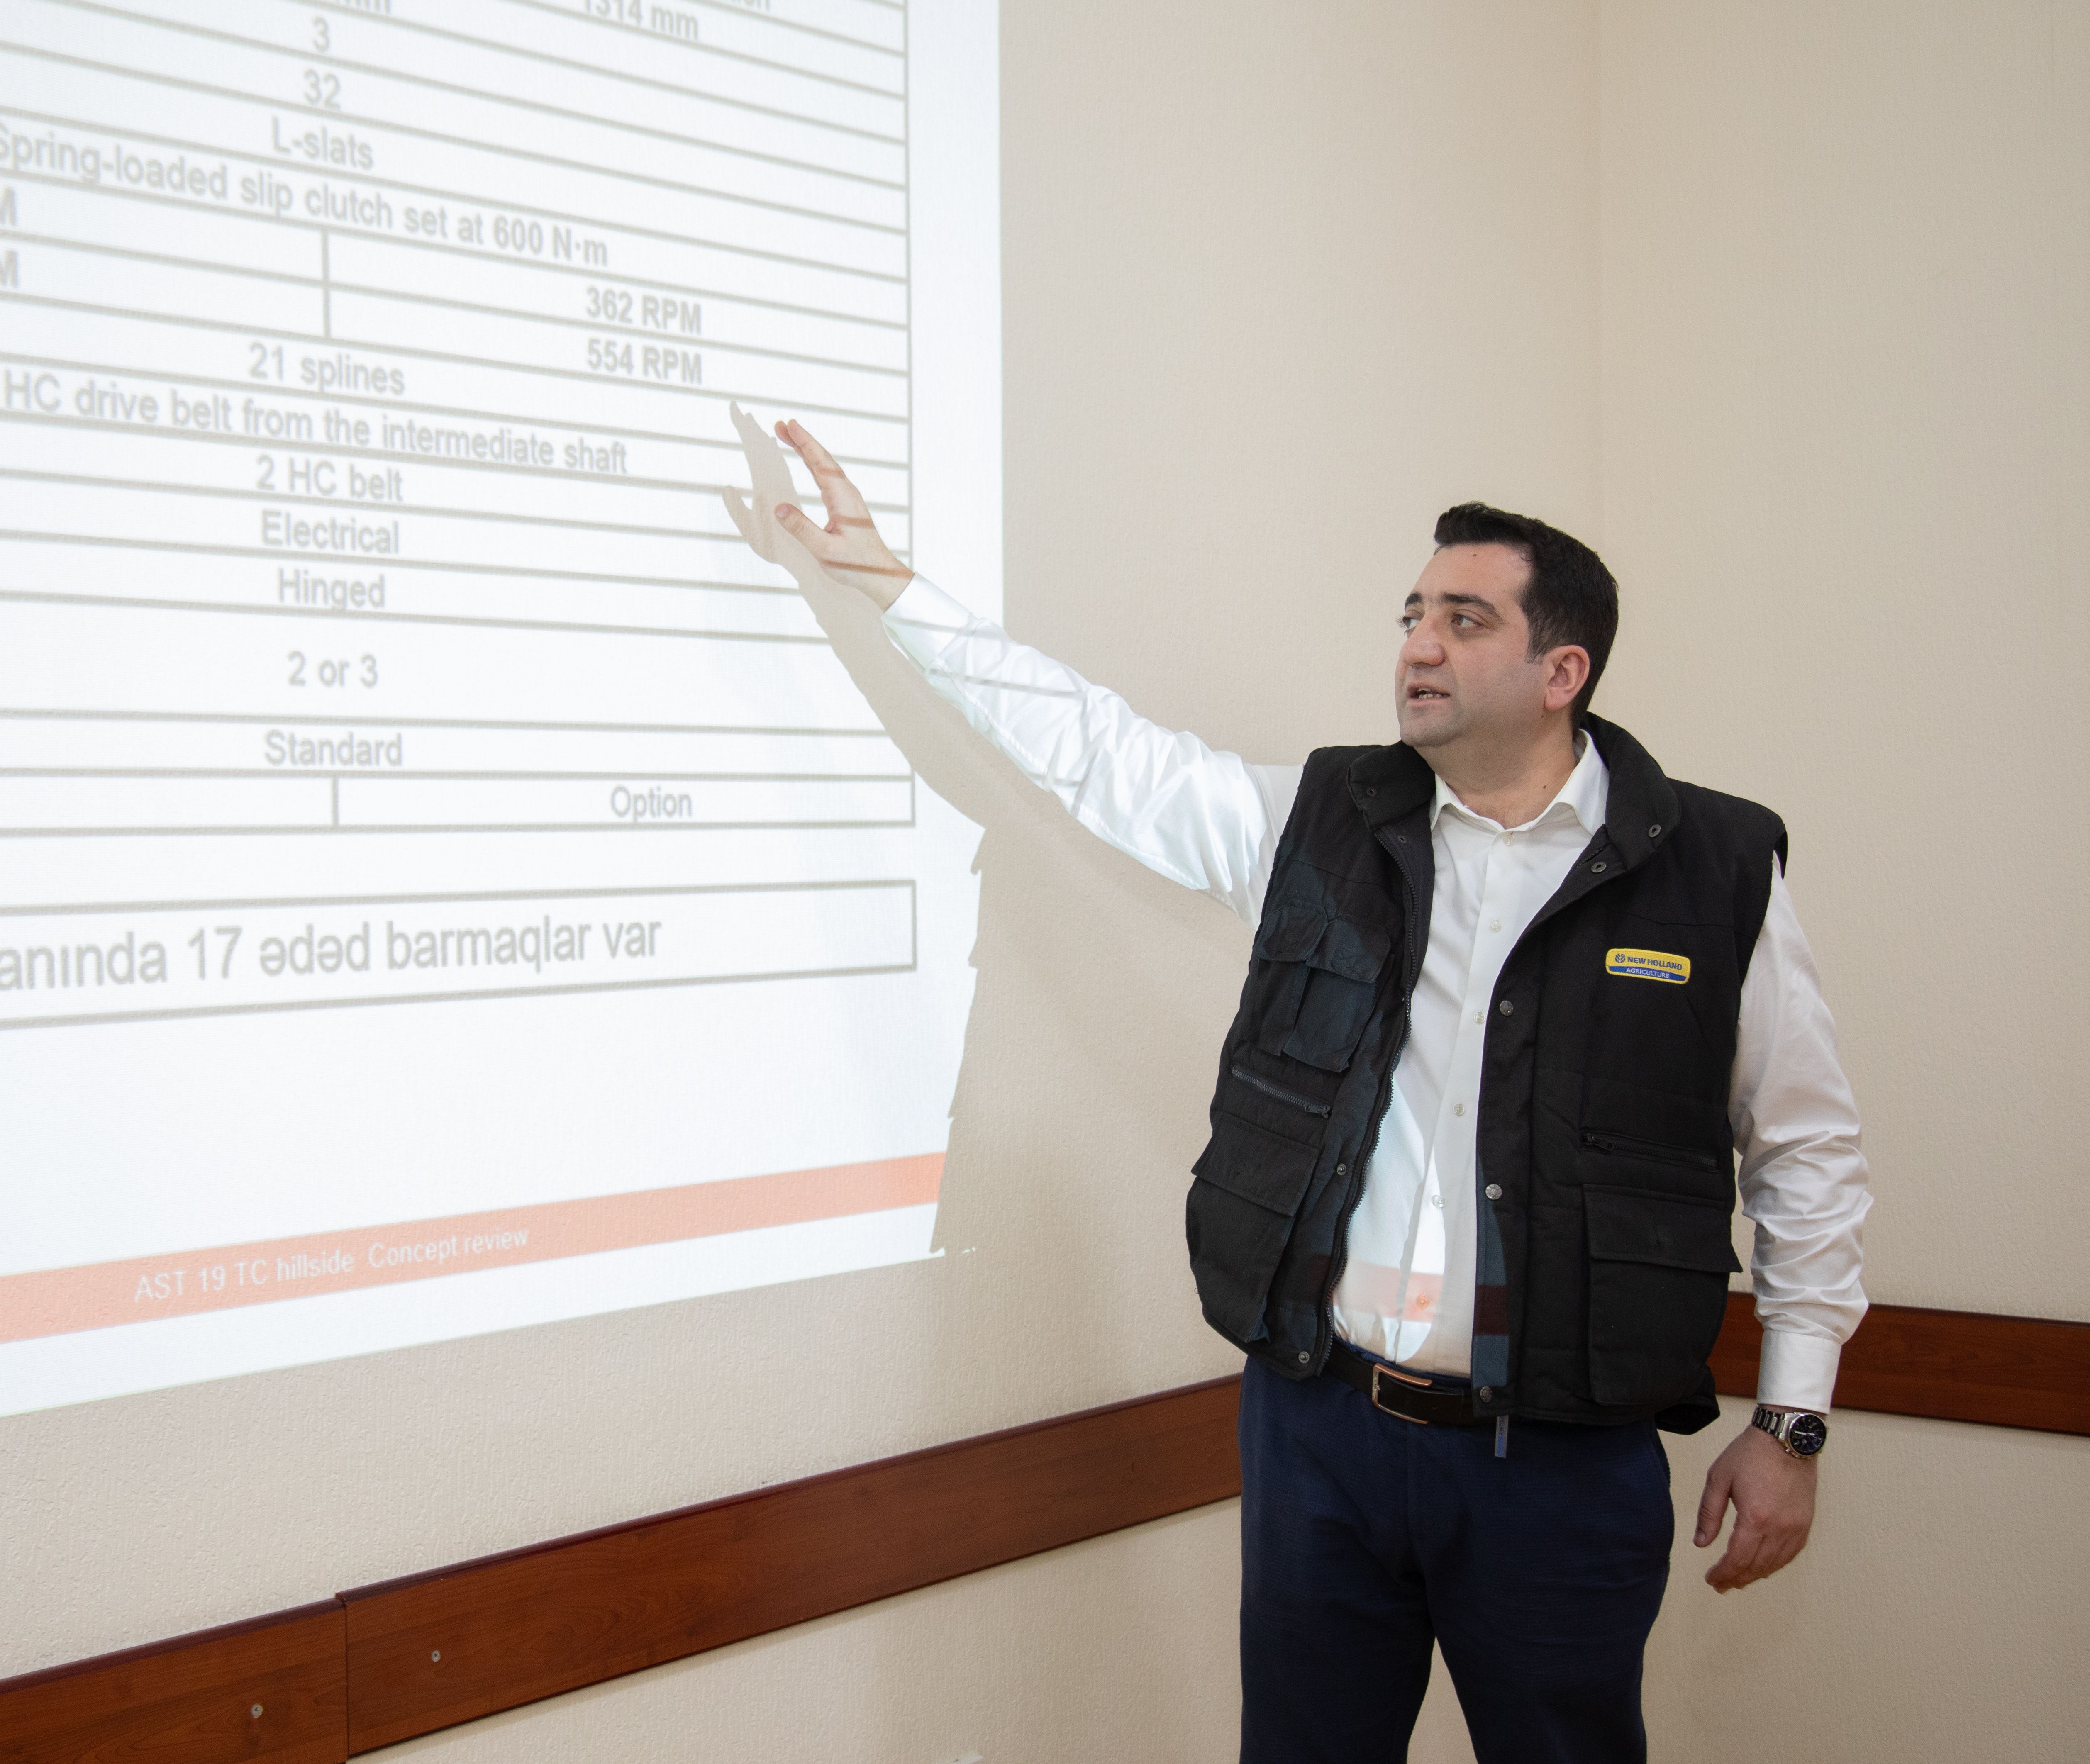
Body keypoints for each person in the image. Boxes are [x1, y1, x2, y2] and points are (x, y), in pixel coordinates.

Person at [723, 411, 1871, 1764]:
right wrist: (892, 585)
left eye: (1464, 620)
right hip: (1321, 1435)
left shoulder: (1713, 873)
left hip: (1558, 1469)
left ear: (1561, 670)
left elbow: (1804, 1154)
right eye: (1412, 615)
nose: (1418, 646)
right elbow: (1099, 751)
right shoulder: (1320, 826)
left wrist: (1789, 1422)